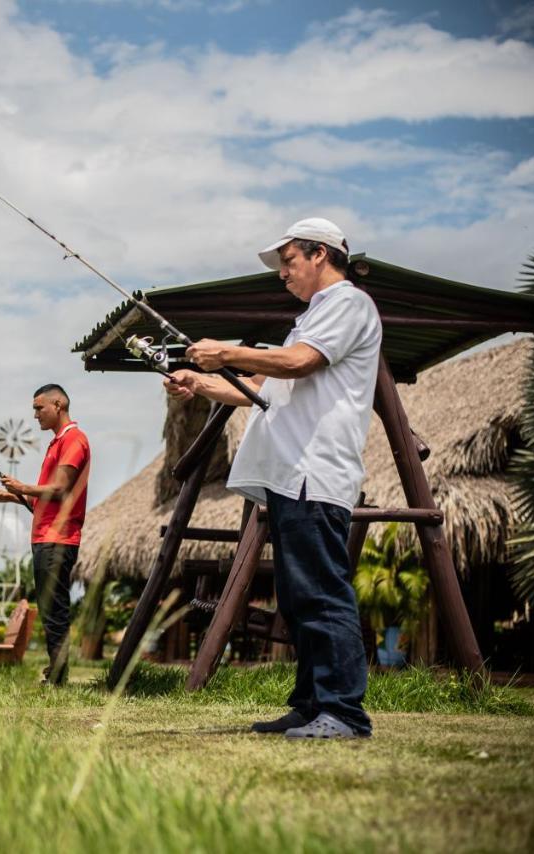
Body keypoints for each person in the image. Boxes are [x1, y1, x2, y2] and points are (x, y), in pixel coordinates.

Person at [165, 217, 380, 739]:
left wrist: (229, 352)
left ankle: (344, 713)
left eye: (288, 261)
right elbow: (258, 387)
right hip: (288, 477)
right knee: (298, 596)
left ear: (320, 254)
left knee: (322, 594)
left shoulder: (349, 304)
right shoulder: (311, 317)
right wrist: (201, 380)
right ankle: (310, 706)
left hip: (315, 473)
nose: (282, 273)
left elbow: (299, 364)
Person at [0, 383, 90, 685]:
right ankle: (55, 671)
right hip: (44, 537)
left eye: (38, 408)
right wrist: (9, 496)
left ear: (58, 404)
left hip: (58, 539)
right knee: (48, 609)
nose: (35, 415)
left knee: (54, 608)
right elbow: (40, 499)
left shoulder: (74, 440)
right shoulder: (56, 443)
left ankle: (58, 677)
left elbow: (59, 490)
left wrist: (21, 486)